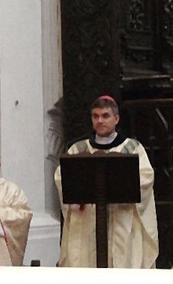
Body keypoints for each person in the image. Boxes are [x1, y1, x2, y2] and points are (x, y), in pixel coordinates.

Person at [55, 95, 159, 268]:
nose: (100, 121)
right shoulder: (78, 150)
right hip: (87, 220)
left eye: (105, 116)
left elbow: (146, 177)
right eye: (95, 116)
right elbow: (62, 178)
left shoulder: (132, 148)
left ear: (116, 119)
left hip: (121, 218)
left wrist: (121, 186)